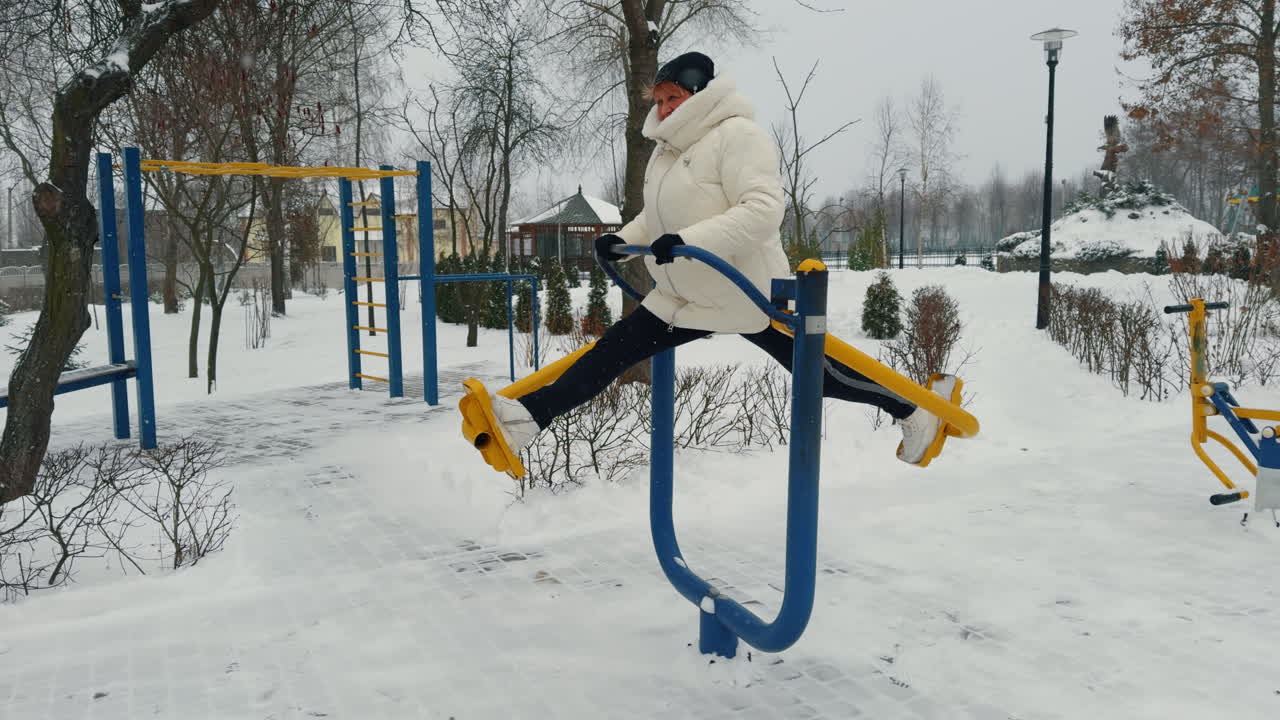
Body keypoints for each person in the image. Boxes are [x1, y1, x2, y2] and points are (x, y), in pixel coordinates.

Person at [487, 51, 953, 465]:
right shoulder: (667, 153)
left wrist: (688, 239)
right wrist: (621, 238)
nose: (664, 109)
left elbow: (762, 211)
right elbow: (657, 216)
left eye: (673, 99)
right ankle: (530, 420)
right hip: (685, 294)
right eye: (660, 101)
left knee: (821, 375)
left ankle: (917, 409)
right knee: (611, 353)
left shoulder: (738, 137)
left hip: (747, 292)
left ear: (700, 95)